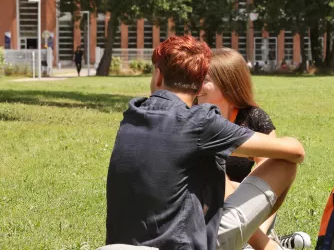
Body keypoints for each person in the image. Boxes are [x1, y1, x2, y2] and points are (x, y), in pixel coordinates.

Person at [105, 36, 305, 250]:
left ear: (159, 76)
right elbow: (295, 152)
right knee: (284, 163)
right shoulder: (201, 123)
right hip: (184, 244)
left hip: (118, 245)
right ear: (200, 85)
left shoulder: (132, 114)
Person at [197, 48, 310, 249]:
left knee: (282, 161)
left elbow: (271, 175)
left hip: (248, 207)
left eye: (204, 79)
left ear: (227, 82)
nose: (197, 86)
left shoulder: (253, 118)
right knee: (214, 171)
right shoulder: (193, 117)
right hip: (205, 208)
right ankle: (268, 244)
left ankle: (261, 238)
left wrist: (258, 227)